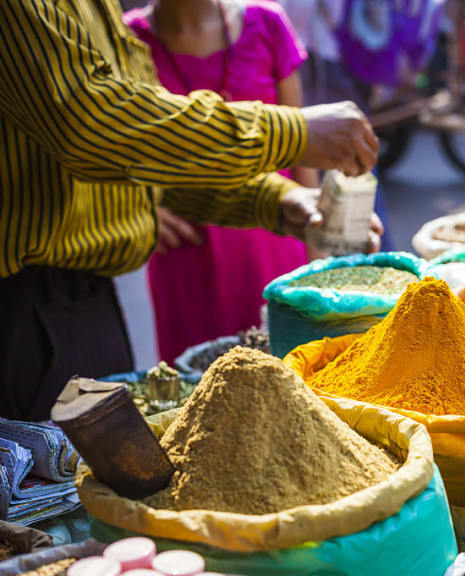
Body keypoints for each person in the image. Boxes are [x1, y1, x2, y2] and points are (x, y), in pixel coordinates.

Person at [0, 0, 380, 421]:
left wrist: (277, 199)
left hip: (85, 303)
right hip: (27, 308)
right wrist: (293, 132)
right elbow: (93, 124)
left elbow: (147, 163)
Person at [124, 0, 323, 362]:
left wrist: (319, 253)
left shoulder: (266, 23)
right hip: (187, 256)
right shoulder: (127, 40)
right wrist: (137, 205)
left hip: (276, 232)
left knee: (296, 372)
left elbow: (302, 152)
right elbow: (108, 146)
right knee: (201, 387)